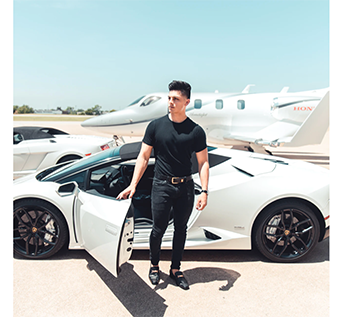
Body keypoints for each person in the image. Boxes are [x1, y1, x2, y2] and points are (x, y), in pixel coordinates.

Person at [117, 80, 209, 290]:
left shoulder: (195, 131)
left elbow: (203, 163)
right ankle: (154, 266)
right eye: (169, 98)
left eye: (176, 99)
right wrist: (133, 184)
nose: (170, 102)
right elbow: (143, 156)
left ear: (187, 101)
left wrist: (204, 191)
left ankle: (176, 269)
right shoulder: (156, 126)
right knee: (157, 229)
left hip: (185, 187)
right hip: (161, 186)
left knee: (180, 230)